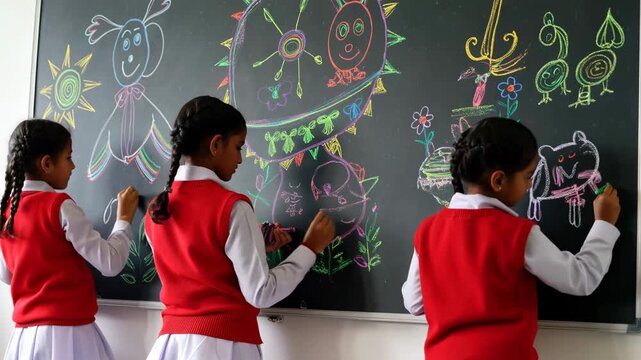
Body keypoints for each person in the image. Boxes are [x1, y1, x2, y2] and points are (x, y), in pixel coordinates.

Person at [402, 117, 621, 359]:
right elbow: (581, 279)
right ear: (499, 181)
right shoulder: (517, 233)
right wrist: (604, 224)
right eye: (528, 176)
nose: (530, 185)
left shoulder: (427, 230)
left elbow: (414, 303)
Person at [145, 96, 336, 360]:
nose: (241, 159)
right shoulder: (231, 206)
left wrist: (258, 248)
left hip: (170, 347)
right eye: (238, 147)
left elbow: (200, 266)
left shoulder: (156, 210)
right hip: (223, 346)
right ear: (215, 144)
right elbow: (260, 292)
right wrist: (310, 248)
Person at [0, 119, 138, 359]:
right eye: (68, 157)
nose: (73, 166)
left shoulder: (6, 212)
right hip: (68, 334)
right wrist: (124, 219)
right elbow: (110, 263)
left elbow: (6, 275)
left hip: (25, 339)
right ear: (47, 164)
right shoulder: (59, 206)